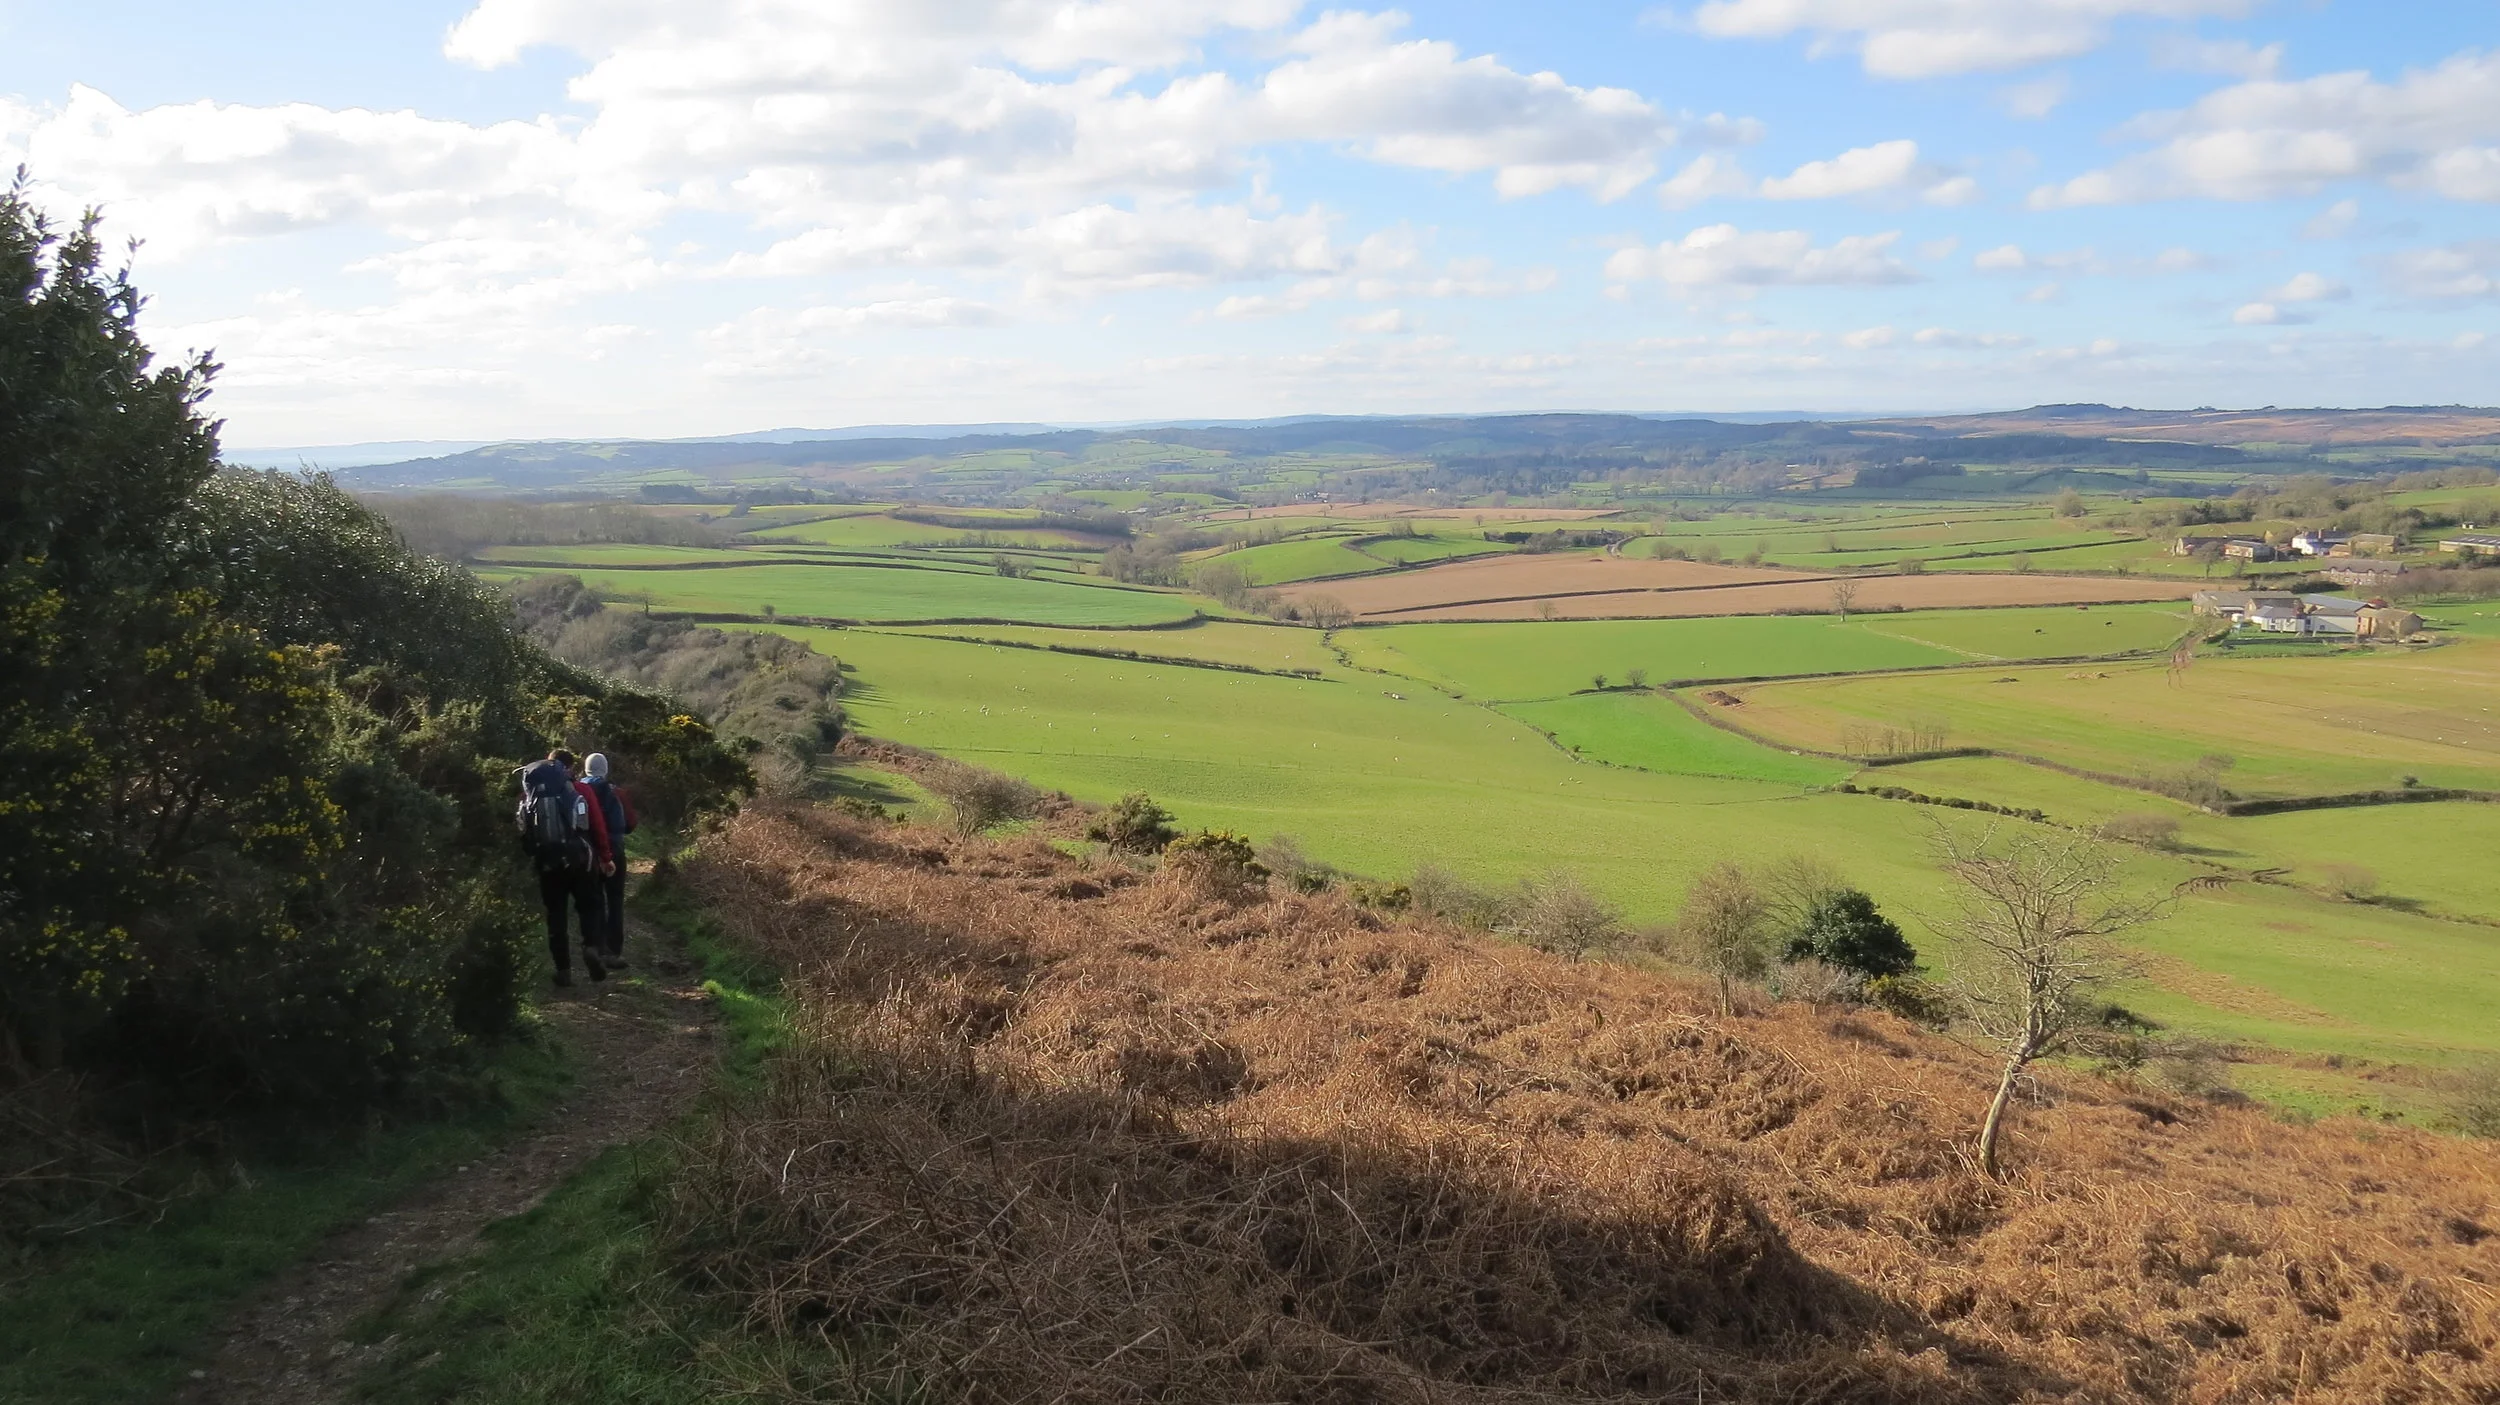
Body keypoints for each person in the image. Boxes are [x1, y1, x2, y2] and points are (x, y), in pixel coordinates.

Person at [516, 748, 615, 987]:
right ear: (569, 768)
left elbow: (523, 830)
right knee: (589, 906)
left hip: (548, 861)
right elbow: (597, 826)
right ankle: (591, 947)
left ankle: (563, 969)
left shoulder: (529, 795)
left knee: (556, 914)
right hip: (580, 860)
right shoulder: (581, 790)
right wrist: (605, 857)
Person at [581, 752, 637, 968]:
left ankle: (594, 945)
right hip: (614, 852)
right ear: (605, 770)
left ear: (586, 768)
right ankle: (613, 952)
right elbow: (630, 824)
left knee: (593, 900)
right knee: (614, 900)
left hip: (586, 854)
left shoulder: (577, 789)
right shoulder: (617, 793)